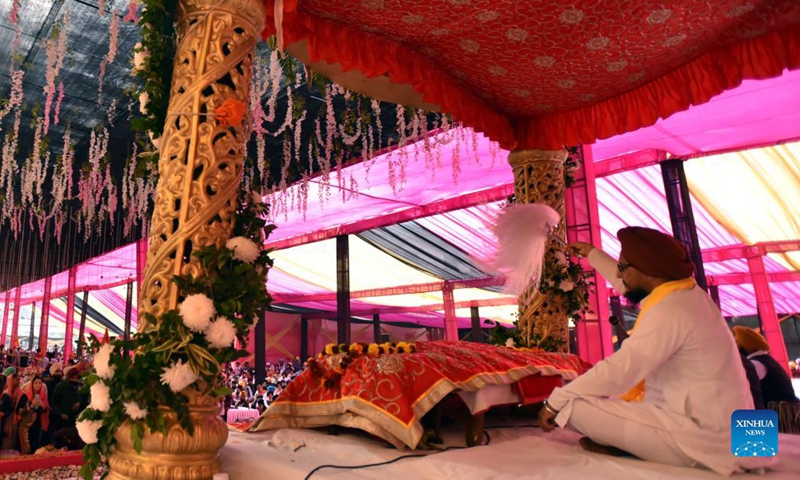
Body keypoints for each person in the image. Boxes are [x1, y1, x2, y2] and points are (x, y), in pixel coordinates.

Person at [538, 227, 766, 475]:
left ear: (647, 272)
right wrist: (592, 254)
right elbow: (629, 284)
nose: (618, 272)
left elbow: (619, 372)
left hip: (704, 438)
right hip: (734, 429)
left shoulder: (669, 311)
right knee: (598, 399)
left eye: (623, 267)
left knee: (574, 405)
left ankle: (636, 447)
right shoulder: (687, 293)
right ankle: (633, 442)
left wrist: (554, 402)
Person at [733, 326, 798, 406]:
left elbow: (742, 389)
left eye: (737, 344)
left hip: (776, 415)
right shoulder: (765, 360)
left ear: (745, 347)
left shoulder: (756, 364)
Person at [16, 376, 50, 454]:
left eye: (40, 383)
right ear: (32, 384)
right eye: (36, 383)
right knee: (26, 448)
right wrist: (30, 406)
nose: (38, 385)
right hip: (25, 425)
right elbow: (18, 411)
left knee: (34, 445)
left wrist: (43, 406)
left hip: (37, 424)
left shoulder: (43, 395)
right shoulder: (26, 396)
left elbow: (46, 409)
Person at [1, 371, 21, 450]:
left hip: (10, 419)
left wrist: (3, 414)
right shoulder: (5, 394)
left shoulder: (6, 396)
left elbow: (8, 409)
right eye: (15, 379)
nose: (18, 381)